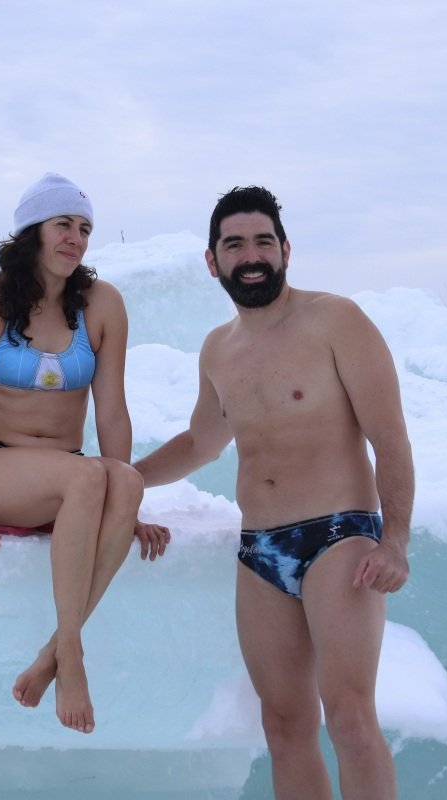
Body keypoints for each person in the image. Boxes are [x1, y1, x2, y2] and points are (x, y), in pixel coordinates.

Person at [133, 186, 414, 799]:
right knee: (285, 726)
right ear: (213, 261)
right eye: (234, 244)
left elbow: (389, 438)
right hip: (260, 551)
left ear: (285, 249)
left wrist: (394, 541)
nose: (251, 254)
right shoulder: (217, 349)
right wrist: (126, 478)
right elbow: (201, 444)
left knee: (349, 718)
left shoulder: (335, 320)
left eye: (263, 241)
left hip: (339, 538)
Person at [0, 173, 171, 735]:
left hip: (66, 475)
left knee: (125, 481)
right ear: (31, 231)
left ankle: (51, 653)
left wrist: (127, 508)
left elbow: (112, 412)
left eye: (85, 228)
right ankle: (72, 658)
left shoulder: (101, 304)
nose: (76, 238)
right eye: (63, 224)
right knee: (91, 478)